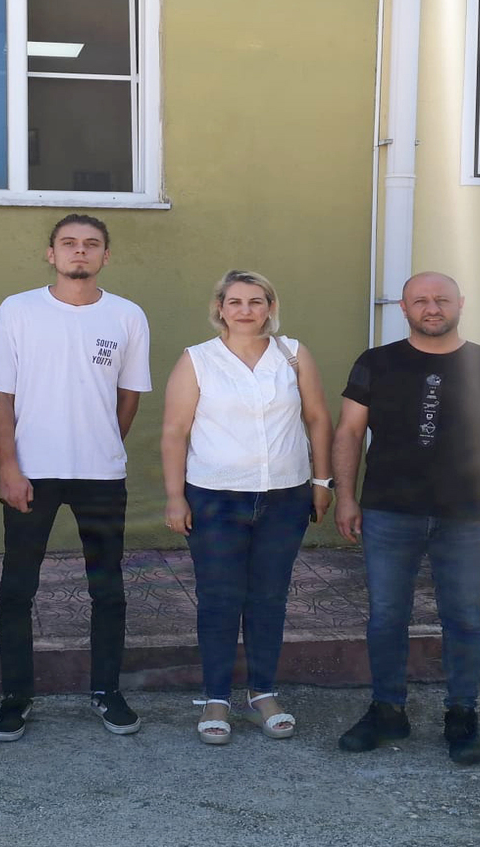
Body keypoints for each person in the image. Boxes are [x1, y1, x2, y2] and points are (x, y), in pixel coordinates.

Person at [333, 271, 480, 765]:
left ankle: (462, 712)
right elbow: (349, 432)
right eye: (421, 300)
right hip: (387, 511)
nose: (432, 308)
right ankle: (387, 710)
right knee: (386, 617)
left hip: (466, 515)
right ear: (404, 308)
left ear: (461, 303)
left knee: (463, 618)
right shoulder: (375, 362)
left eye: (442, 299)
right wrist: (346, 498)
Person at [0, 214, 152, 741]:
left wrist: (103, 442)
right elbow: (0, 397)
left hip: (101, 474)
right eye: (69, 243)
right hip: (31, 472)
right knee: (18, 588)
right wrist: (8, 466)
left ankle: (107, 691)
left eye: (91, 244)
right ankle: (16, 697)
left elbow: (129, 397)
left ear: (105, 256)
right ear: (51, 254)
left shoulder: (127, 315)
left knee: (108, 588)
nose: (80, 251)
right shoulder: (17, 310)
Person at [159, 270, 335, 744]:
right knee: (219, 598)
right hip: (215, 498)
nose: (245, 310)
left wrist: (322, 480)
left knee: (269, 597)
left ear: (270, 308)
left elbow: (318, 417)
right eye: (234, 302)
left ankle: (263, 694)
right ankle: (216, 697)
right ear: (220, 308)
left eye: (256, 301)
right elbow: (175, 431)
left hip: (285, 496)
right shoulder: (198, 360)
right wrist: (175, 496)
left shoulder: (292, 355)